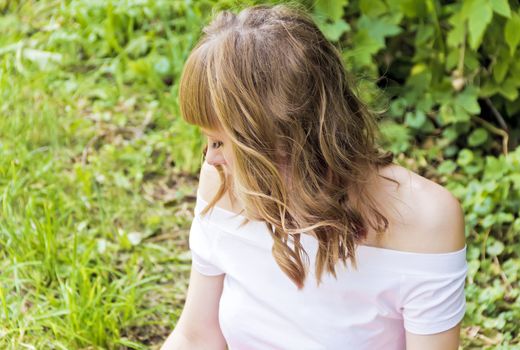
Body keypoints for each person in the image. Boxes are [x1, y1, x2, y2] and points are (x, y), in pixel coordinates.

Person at [161, 4, 467, 350]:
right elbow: (196, 335)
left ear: (283, 139)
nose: (210, 157)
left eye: (219, 141)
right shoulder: (224, 181)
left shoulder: (423, 221)